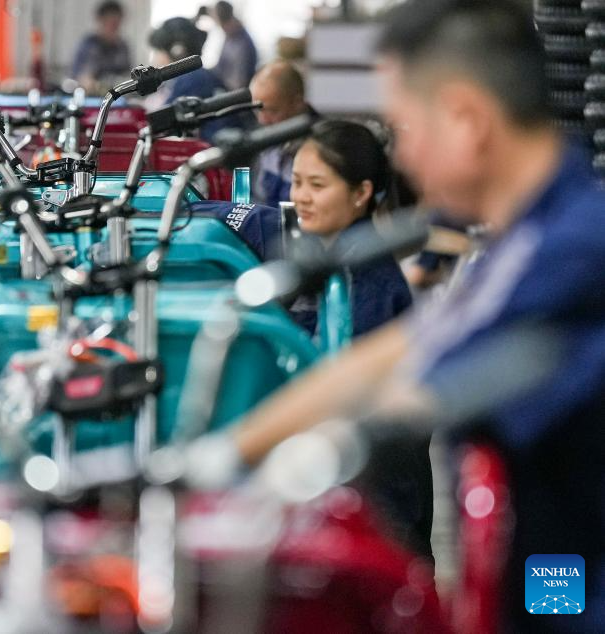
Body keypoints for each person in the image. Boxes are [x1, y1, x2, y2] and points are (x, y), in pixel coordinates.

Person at [208, 1, 604, 629]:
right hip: (547, 563)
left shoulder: (569, 255)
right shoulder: (536, 228)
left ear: (467, 119)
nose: (403, 158)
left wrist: (267, 461)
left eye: (405, 127)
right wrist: (223, 455)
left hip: (570, 588)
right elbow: (396, 350)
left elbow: (402, 386)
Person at [286, 120, 413, 338]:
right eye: (297, 182)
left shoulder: (369, 282)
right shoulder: (322, 253)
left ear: (361, 193)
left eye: (317, 185)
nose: (301, 197)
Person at [147, 17, 246, 142]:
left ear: (177, 51)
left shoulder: (191, 78)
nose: (155, 58)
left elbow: (159, 122)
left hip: (215, 148)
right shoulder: (198, 74)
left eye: (158, 51)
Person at [248, 61, 319, 209]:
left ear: (298, 102)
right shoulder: (262, 136)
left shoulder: (322, 145)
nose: (262, 120)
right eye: (257, 110)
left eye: (272, 111)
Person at [71, 1, 133, 94]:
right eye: (111, 24)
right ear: (100, 21)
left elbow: (128, 77)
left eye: (117, 24)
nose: (114, 29)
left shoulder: (122, 47)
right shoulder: (90, 46)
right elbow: (84, 80)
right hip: (93, 98)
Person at [209, 1, 258, 91]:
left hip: (236, 91)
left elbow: (240, 82)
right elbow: (220, 67)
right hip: (227, 85)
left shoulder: (242, 43)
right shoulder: (230, 37)